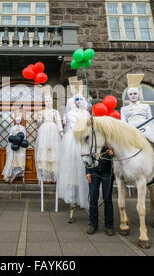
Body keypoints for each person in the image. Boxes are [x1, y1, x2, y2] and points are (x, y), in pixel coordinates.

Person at [57, 80, 91, 221]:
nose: (78, 102)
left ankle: (86, 198)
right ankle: (72, 199)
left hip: (84, 140)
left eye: (80, 100)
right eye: (76, 100)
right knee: (72, 169)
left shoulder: (87, 114)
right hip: (73, 141)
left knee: (86, 168)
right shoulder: (70, 114)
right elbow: (72, 125)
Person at [34, 85, 63, 183]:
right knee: (44, 147)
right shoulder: (42, 112)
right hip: (44, 129)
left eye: (50, 101)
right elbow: (39, 123)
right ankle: (45, 172)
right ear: (44, 102)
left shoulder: (55, 111)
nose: (48, 103)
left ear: (52, 102)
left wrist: (61, 131)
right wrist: (37, 119)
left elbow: (58, 121)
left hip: (53, 129)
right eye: (46, 101)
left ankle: (53, 171)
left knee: (53, 148)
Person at [86, 145, 115, 236]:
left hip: (107, 172)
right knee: (93, 197)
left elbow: (118, 154)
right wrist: (88, 172)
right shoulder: (92, 139)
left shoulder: (109, 140)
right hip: (94, 171)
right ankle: (93, 224)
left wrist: (113, 154)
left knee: (107, 198)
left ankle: (109, 226)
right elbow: (87, 156)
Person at [2, 111, 27, 183]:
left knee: (19, 158)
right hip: (13, 145)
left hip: (20, 146)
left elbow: (24, 137)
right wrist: (14, 139)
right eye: (17, 120)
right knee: (11, 158)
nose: (18, 121)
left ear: (21, 121)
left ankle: (17, 173)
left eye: (19, 120)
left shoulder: (23, 128)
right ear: (15, 121)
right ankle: (8, 174)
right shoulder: (12, 128)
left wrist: (21, 142)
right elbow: (10, 135)